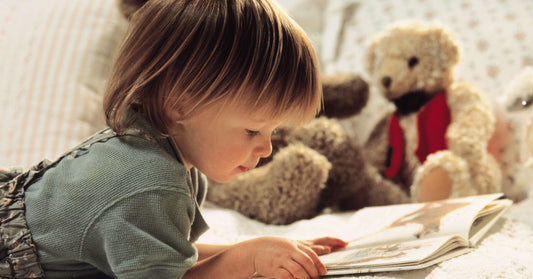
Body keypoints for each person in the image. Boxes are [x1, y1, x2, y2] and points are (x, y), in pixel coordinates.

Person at [0, 0, 347, 278]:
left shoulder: (160, 153)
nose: (267, 148)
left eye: (272, 131)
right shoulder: (146, 181)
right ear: (181, 104)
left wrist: (270, 251)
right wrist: (249, 260)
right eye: (252, 130)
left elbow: (165, 254)